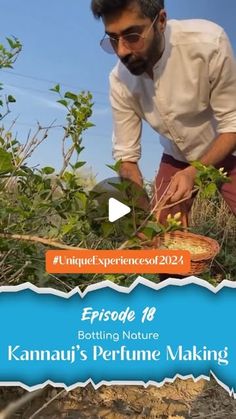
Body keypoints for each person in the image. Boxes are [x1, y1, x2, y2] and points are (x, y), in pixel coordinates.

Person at [90, 0, 236, 223]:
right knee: (162, 229)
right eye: (113, 38)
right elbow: (126, 158)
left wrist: (193, 173)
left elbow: (232, 125)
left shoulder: (208, 43)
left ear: (160, 21)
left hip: (227, 148)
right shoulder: (120, 81)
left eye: (132, 36)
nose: (121, 51)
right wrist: (141, 216)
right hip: (176, 156)